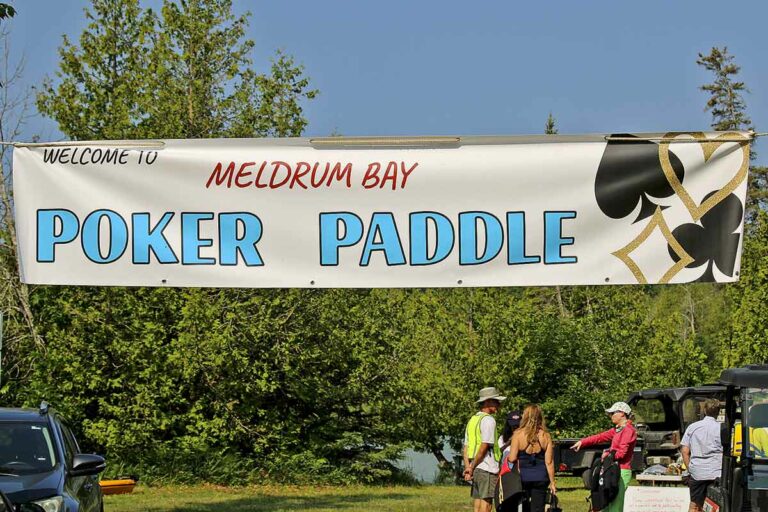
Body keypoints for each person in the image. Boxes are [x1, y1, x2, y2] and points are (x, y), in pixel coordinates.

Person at [571, 401, 637, 512]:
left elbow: (622, 453)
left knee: (615, 507)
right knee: (605, 505)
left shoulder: (628, 430)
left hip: (621, 472)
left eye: (613, 413)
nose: (610, 416)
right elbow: (600, 437)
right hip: (611, 469)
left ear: (622, 413)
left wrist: (607, 453)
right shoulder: (617, 429)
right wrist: (582, 442)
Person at [463, 387, 506, 512]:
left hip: (476, 468)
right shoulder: (489, 420)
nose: (499, 404)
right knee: (487, 502)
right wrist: (471, 467)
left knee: (477, 501)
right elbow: (484, 446)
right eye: (496, 401)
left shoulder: (472, 420)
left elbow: (466, 447)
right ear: (487, 402)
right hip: (487, 468)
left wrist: (468, 467)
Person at [507, 404, 556, 512]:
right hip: (541, 477)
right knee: (538, 508)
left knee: (522, 507)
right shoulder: (545, 435)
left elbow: (512, 458)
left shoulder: (518, 434)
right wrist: (552, 482)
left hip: (522, 478)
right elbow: (549, 462)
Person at [681, 399, 722, 512]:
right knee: (716, 505)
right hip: (717, 472)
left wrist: (690, 469)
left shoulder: (693, 427)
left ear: (704, 410)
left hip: (698, 472)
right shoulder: (721, 429)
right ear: (718, 412)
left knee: (694, 505)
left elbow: (685, 451)